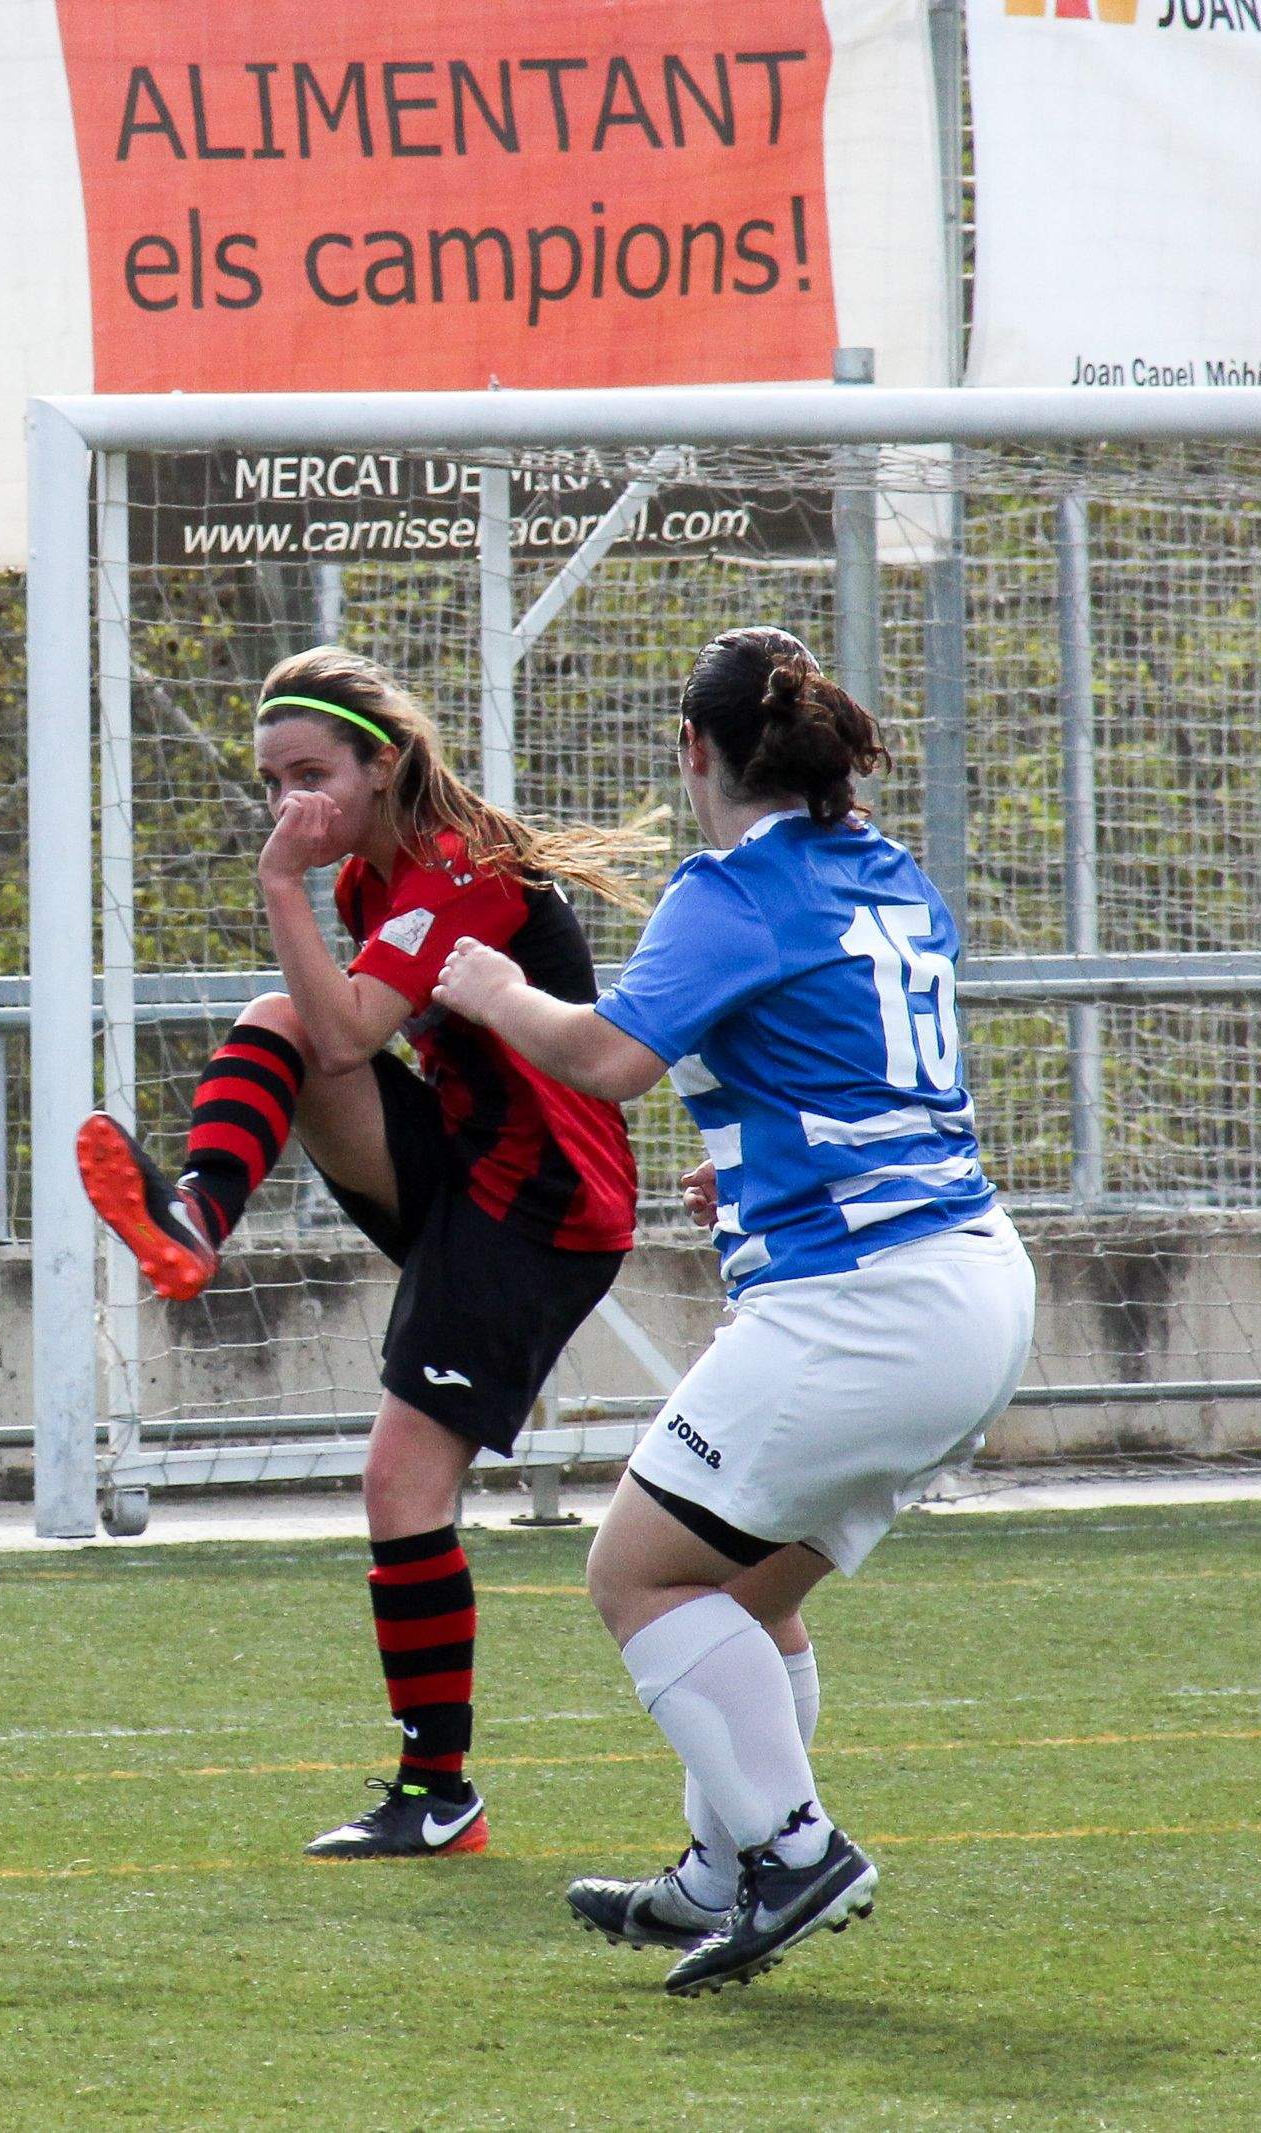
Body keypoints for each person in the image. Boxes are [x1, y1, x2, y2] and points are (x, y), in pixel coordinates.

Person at [431, 626, 1035, 1994]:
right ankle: (721, 1868)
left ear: (692, 751)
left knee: (635, 1571)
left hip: (868, 1303)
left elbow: (606, 1061)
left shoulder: (731, 888)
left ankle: (794, 1845)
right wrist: (751, 1161)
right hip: (976, 1283)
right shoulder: (887, 872)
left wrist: (493, 987)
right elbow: (838, 1063)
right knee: (749, 1591)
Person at [74, 646, 644, 1860]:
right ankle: (192, 1225)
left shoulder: (455, 872)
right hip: (461, 1168)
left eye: (312, 776)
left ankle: (440, 1799)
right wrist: (302, 879)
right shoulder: (365, 881)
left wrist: (278, 881)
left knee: (399, 1485)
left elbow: (349, 1042)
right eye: (272, 782)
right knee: (281, 1017)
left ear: (381, 766)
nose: (292, 804)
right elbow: (335, 1044)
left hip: (539, 1205)